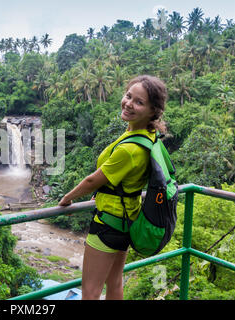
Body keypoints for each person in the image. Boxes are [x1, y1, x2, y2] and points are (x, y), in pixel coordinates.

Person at [58, 75, 167, 300]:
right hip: (128, 220)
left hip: (108, 224)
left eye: (139, 102)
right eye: (128, 96)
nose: (128, 103)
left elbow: (92, 181)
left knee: (90, 291)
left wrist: (67, 198)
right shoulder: (147, 135)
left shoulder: (129, 150)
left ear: (152, 111)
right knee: (115, 284)